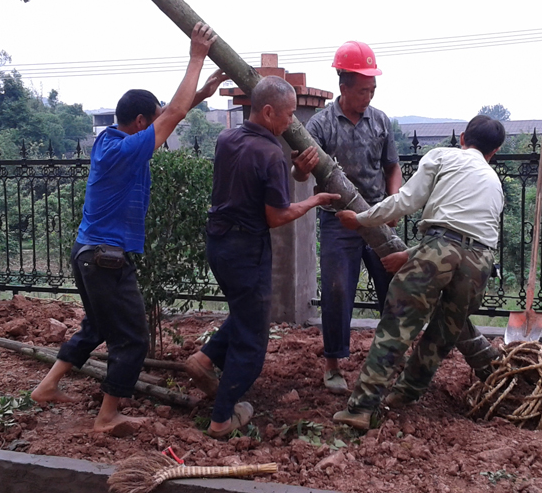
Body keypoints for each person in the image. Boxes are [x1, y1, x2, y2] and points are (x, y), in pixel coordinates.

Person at [31, 23, 228, 434]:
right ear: (140, 122)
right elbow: (171, 115)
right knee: (133, 339)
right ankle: (107, 417)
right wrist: (196, 57)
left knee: (98, 327)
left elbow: (170, 115)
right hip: (106, 259)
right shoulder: (125, 150)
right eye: (152, 121)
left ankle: (47, 386)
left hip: (88, 253)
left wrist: (202, 95)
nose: (160, 127)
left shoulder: (110, 141)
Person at [184, 76, 339, 438]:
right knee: (253, 338)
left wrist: (296, 171)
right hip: (246, 251)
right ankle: (222, 419)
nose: (291, 122)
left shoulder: (227, 139)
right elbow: (276, 215)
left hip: (218, 244)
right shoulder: (270, 153)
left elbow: (253, 185)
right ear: (268, 112)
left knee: (244, 314)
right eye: (288, 114)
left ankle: (203, 360)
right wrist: (314, 200)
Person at [331, 115, 506, 429]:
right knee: (442, 335)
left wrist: (360, 219)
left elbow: (406, 202)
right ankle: (405, 394)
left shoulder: (443, 156)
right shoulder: (495, 183)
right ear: (495, 152)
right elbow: (468, 237)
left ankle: (361, 409)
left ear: (462, 138)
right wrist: (412, 253)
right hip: (480, 263)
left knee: (397, 326)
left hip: (438, 251)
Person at [291, 41, 403, 395]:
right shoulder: (321, 125)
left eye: (372, 90)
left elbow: (392, 167)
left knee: (395, 287)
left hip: (377, 217)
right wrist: (300, 169)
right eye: (362, 90)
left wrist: (394, 202)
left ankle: (391, 358)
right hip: (338, 221)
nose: (368, 96)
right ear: (344, 87)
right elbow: (300, 175)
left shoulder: (380, 121)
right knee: (337, 290)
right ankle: (334, 364)